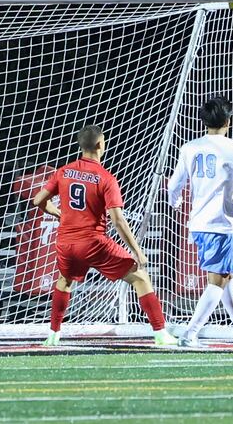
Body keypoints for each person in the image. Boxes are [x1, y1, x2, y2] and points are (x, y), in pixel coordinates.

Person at [32, 125, 178, 346]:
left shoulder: (63, 171)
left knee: (64, 282)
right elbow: (118, 220)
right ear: (101, 145)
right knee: (140, 277)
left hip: (66, 243)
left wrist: (58, 213)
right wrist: (137, 251)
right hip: (94, 243)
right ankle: (160, 333)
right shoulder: (105, 178)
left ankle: (53, 334)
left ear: (81, 145)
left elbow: (37, 201)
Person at [167, 95, 233, 347]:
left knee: (225, 276)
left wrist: (174, 201)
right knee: (218, 281)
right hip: (222, 224)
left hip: (198, 223)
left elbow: (174, 184)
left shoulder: (189, 147)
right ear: (228, 121)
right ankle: (190, 333)